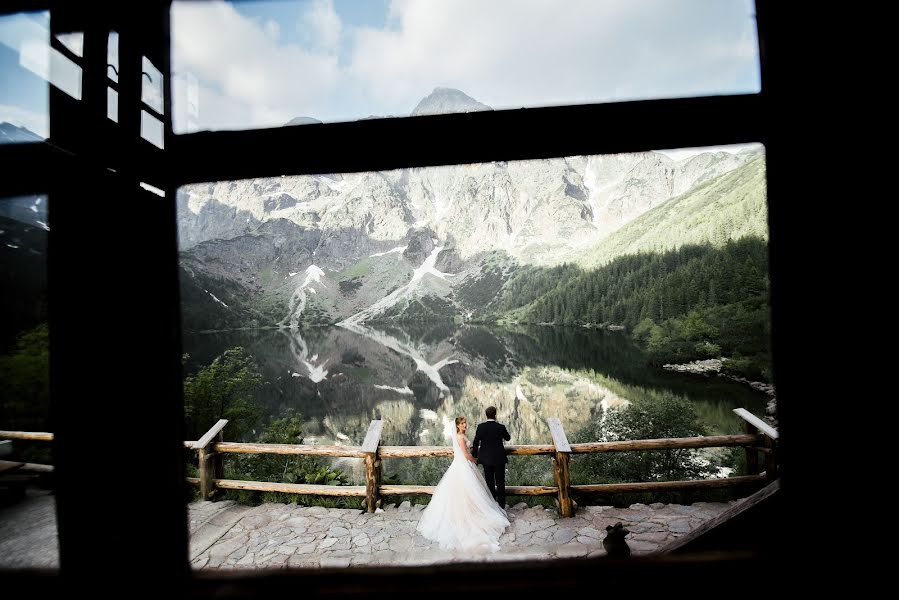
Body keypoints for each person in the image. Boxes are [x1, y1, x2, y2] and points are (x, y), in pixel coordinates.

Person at [416, 416, 510, 552]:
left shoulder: (460, 435)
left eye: (465, 422)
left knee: (469, 491)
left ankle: (469, 512)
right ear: (457, 426)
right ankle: (466, 516)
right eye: (462, 423)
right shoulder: (460, 437)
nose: (465, 425)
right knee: (468, 490)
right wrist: (475, 459)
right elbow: (466, 455)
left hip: (462, 465)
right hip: (464, 465)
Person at [471, 406, 511, 509]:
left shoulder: (481, 427)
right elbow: (508, 437)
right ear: (495, 414)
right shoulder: (500, 427)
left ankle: (492, 505)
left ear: (486, 414)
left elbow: (475, 442)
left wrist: (474, 456)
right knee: (500, 482)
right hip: (499, 458)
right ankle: (502, 506)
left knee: (490, 483)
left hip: (486, 459)